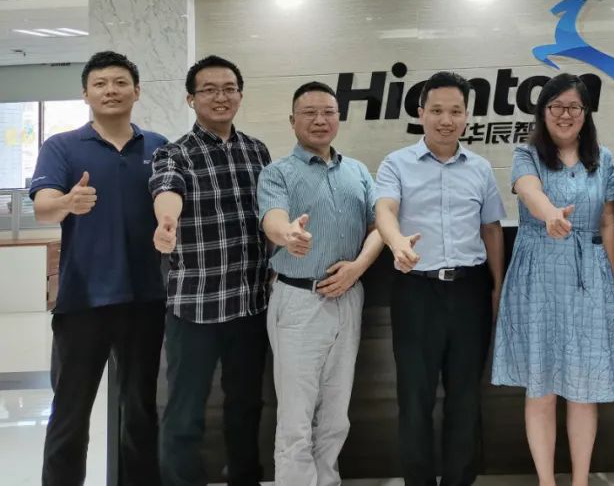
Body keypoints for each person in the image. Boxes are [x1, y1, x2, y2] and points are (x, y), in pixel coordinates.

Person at [31, 51, 168, 486]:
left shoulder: (160, 147)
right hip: (82, 300)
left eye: (121, 82)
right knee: (70, 414)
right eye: (101, 83)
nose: (111, 90)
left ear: (137, 91)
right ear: (86, 94)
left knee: (141, 412)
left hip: (146, 298)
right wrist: (67, 202)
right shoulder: (62, 146)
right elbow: (42, 207)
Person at [492, 73, 614, 486]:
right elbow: (528, 190)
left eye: (573, 107)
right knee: (542, 386)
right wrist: (551, 214)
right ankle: (546, 481)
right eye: (556, 106)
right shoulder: (527, 154)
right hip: (538, 276)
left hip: (590, 275)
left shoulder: (602, 158)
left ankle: (581, 480)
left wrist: (612, 276)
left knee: (584, 388)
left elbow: (607, 220)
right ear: (543, 112)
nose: (565, 115)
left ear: (585, 113)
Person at [374, 71, 507, 486]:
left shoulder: (480, 168)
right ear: (421, 114)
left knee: (466, 396)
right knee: (414, 397)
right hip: (416, 289)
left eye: (455, 111)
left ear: (466, 116)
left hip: (470, 289)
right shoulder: (396, 163)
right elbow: (385, 210)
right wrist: (397, 242)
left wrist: (497, 288)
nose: (446, 120)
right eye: (436, 111)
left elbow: (491, 229)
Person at [150, 55, 272, 486]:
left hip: (249, 304)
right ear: (191, 98)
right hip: (195, 308)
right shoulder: (174, 152)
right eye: (209, 90)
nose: (221, 97)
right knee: (185, 413)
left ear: (240, 95)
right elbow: (167, 189)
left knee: (246, 408)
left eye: (229, 89)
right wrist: (167, 221)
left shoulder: (257, 150)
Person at [258, 81, 384, 486]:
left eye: (328, 112)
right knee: (296, 416)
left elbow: (380, 227)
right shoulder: (277, 172)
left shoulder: (357, 171)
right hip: (299, 300)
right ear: (292, 120)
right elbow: (273, 219)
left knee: (335, 413)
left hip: (349, 298)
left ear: (338, 118)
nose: (319, 120)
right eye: (309, 112)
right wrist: (288, 235)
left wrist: (357, 268)